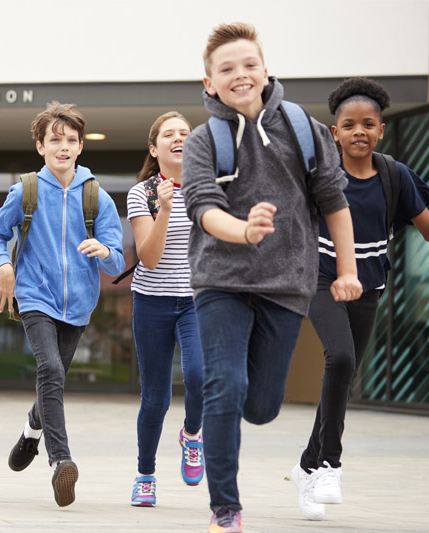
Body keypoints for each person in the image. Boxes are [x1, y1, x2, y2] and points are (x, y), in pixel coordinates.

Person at [181, 23, 362, 532]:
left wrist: (346, 271)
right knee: (224, 385)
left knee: (260, 407)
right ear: (209, 82)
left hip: (287, 284)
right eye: (226, 69)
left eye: (248, 64)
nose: (240, 74)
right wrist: (244, 230)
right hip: (222, 281)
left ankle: (226, 426)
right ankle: (226, 509)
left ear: (264, 69)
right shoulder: (202, 141)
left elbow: (334, 201)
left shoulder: (302, 128)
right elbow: (204, 211)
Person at [291, 78, 429, 521]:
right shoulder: (321, 174)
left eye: (368, 124)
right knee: (343, 360)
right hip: (320, 278)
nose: (359, 132)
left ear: (381, 130)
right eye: (348, 125)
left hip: (369, 285)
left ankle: (306, 467)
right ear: (335, 132)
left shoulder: (395, 175)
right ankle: (330, 463)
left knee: (343, 374)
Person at [0, 101, 125, 507]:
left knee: (55, 376)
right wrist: (5, 267)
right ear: (40, 146)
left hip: (79, 302)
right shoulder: (25, 189)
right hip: (35, 294)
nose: (63, 147)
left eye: (71, 140)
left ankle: (31, 431)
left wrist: (104, 249)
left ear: (80, 146)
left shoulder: (97, 196)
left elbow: (118, 259)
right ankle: (60, 460)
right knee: (49, 368)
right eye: (55, 140)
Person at [127, 112, 204, 507]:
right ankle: (145, 474)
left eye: (186, 134)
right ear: (154, 148)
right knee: (154, 397)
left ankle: (192, 434)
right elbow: (150, 258)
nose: (179, 139)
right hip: (152, 301)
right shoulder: (142, 193)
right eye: (169, 135)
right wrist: (166, 208)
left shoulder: (210, 189)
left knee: (199, 374)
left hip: (196, 301)